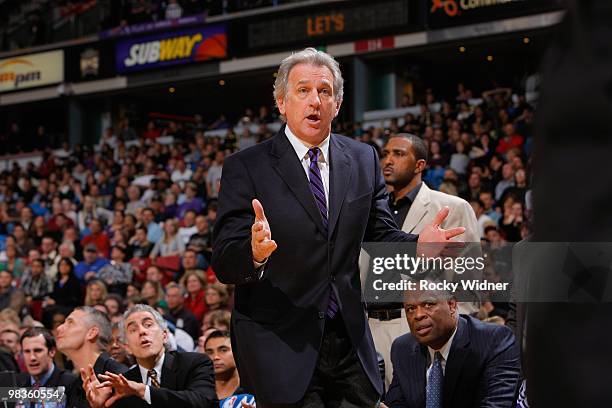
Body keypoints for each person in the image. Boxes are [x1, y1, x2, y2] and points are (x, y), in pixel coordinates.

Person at [212, 48, 465, 406]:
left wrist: (418, 246)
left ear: (337, 102)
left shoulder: (364, 158)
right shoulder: (246, 166)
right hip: (281, 343)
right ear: (282, 102)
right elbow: (224, 259)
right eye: (303, 91)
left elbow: (380, 232)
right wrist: (252, 253)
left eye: (325, 91)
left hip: (349, 340)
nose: (315, 100)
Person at [367, 133, 481, 388]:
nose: (388, 160)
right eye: (385, 154)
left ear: (420, 165)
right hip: (368, 328)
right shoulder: (368, 211)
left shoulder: (453, 207)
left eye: (398, 154)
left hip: (419, 331)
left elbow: (469, 285)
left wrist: (444, 339)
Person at [382, 287, 520, 407]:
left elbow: (495, 404)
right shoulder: (403, 348)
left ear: (452, 305)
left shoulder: (493, 341)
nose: (418, 315)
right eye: (410, 309)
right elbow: (397, 403)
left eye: (428, 304)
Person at [83, 304, 217, 408]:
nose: (142, 331)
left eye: (148, 325)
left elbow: (202, 402)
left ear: (165, 336)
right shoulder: (125, 384)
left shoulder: (194, 363)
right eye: (133, 330)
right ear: (128, 347)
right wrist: (101, 406)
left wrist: (144, 391)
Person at [56, 306, 127, 407]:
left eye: (70, 322)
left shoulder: (118, 378)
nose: (59, 328)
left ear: (92, 333)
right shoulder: (75, 384)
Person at [16, 327, 79, 401]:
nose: (32, 357)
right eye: (27, 351)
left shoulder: (70, 383)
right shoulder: (15, 383)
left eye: (37, 350)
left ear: (52, 352)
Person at [204, 330, 247, 400]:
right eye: (210, 352)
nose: (215, 357)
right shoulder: (199, 392)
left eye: (223, 350)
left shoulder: (253, 389)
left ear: (237, 351)